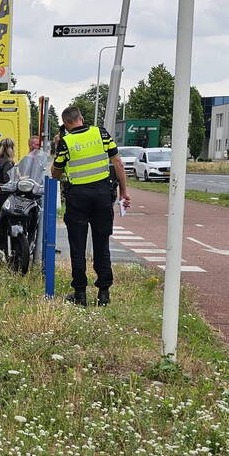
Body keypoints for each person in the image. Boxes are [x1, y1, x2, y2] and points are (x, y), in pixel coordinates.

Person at [51, 106, 131, 306]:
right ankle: (104, 293)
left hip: (78, 197)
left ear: (66, 123)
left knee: (77, 247)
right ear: (82, 118)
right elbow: (118, 163)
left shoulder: (66, 142)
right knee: (102, 244)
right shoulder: (101, 133)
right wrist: (124, 192)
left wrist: (57, 147)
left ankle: (80, 295)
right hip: (103, 195)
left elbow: (55, 173)